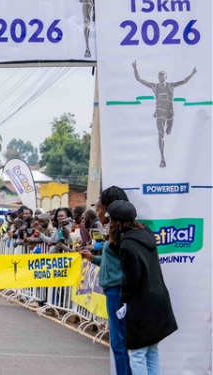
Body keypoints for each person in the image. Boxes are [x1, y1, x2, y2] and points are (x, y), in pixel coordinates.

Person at [107, 200, 177, 375]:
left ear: (115, 222)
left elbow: (132, 280)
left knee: (137, 353)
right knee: (152, 350)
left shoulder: (128, 245)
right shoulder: (146, 232)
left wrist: (124, 300)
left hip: (141, 304)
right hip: (158, 299)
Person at [79, 186, 132, 375]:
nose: (97, 213)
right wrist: (93, 259)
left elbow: (123, 265)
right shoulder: (115, 232)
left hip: (117, 290)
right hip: (114, 288)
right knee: (118, 339)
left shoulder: (120, 234)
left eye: (100, 209)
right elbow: (113, 263)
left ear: (109, 210)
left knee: (118, 340)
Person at [132, 61, 197, 167]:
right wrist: (134, 67)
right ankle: (162, 158)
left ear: (166, 78)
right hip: (160, 112)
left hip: (170, 113)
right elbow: (139, 79)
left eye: (163, 77)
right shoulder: (154, 86)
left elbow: (184, 81)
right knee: (161, 134)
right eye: (160, 77)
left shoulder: (171, 86)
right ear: (158, 78)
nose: (162, 78)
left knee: (168, 132)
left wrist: (192, 73)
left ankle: (169, 128)